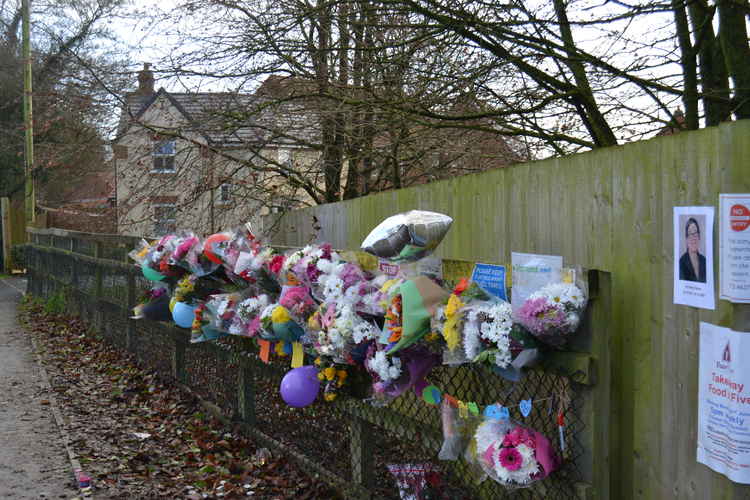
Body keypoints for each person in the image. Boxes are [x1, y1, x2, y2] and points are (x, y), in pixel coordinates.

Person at [679, 217, 706, 282]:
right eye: (690, 234)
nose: (693, 238)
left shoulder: (704, 261)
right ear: (686, 239)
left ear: (699, 237)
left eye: (695, 233)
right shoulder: (681, 262)